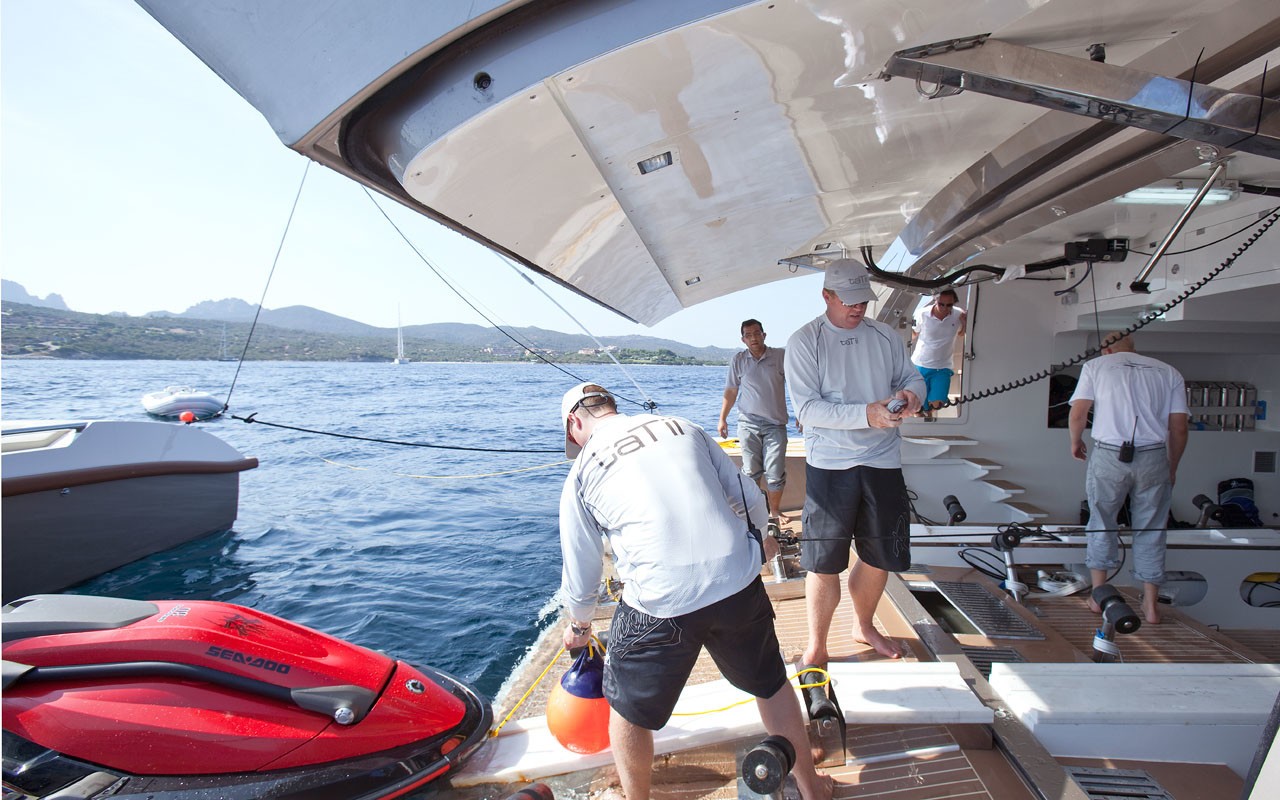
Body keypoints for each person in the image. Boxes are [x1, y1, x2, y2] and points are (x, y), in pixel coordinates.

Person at [557, 382, 831, 800]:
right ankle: (814, 790)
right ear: (610, 406)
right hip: (736, 582)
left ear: (575, 422)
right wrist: (761, 539)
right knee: (771, 684)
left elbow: (583, 569)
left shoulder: (580, 472)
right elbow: (749, 496)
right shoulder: (682, 426)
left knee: (627, 712)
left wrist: (578, 626)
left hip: (659, 604)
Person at [784, 259, 925, 663]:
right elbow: (808, 409)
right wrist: (868, 413)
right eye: (849, 301)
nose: (858, 308)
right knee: (824, 561)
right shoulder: (805, 341)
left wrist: (913, 394)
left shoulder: (885, 336)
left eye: (863, 300)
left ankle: (863, 625)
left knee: (880, 554)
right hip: (830, 463)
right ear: (826, 296)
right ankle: (817, 645)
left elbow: (911, 377)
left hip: (883, 461)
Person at [1068, 332, 1189, 625]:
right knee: (1151, 527)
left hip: (1109, 454)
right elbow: (1179, 428)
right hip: (1154, 456)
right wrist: (1171, 466)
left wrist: (1076, 441)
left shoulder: (1096, 367)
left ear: (1106, 349)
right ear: (1133, 348)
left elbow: (1078, 413)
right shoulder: (1169, 372)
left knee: (1101, 521)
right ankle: (1150, 605)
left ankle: (1099, 597)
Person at [718, 319, 791, 524]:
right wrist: (722, 419)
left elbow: (796, 386)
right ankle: (754, 512)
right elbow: (731, 391)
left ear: (764, 335)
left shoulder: (780, 356)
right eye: (748, 335)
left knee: (775, 471)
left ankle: (774, 512)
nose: (753, 338)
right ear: (743, 339)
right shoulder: (738, 360)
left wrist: (802, 414)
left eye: (757, 333)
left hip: (775, 424)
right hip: (747, 423)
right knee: (750, 471)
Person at [909, 289, 966, 420]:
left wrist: (964, 324)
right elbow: (913, 333)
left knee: (937, 402)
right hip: (920, 364)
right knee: (918, 407)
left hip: (943, 366)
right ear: (935, 301)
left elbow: (961, 334)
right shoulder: (922, 314)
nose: (945, 308)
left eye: (949, 305)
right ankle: (922, 428)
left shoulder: (958, 314)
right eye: (942, 304)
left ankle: (930, 421)